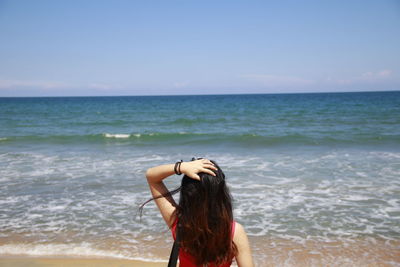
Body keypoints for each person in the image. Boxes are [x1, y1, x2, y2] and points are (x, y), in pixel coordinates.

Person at [142, 158, 254, 267]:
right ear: (221, 195)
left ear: (187, 195)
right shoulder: (233, 231)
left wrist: (181, 167)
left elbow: (151, 176)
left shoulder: (179, 223)